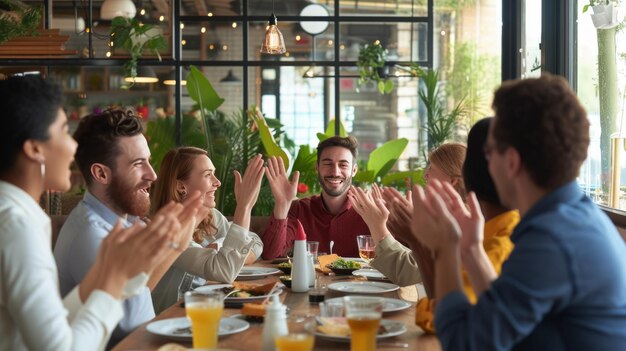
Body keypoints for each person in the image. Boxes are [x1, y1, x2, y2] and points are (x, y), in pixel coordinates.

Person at [410, 74, 626, 350]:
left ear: (511, 161)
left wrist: (446, 248)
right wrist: (471, 249)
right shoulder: (574, 218)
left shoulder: (553, 239)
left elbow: (464, 343)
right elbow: (501, 315)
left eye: (489, 151)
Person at [0, 75, 198, 350]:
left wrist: (110, 273)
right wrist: (115, 277)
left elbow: (58, 324)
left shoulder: (19, 216)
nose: (72, 148)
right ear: (34, 149)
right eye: (62, 132)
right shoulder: (17, 226)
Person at [53, 108, 207, 347]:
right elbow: (134, 323)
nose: (153, 175)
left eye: (149, 161)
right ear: (101, 173)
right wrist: (175, 247)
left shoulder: (125, 222)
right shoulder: (92, 235)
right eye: (138, 164)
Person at [150, 146, 265, 313]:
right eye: (207, 175)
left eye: (214, 173)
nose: (217, 182)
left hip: (202, 311)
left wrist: (219, 247)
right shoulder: (166, 230)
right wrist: (244, 207)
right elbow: (224, 271)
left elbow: (256, 243)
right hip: (169, 320)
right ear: (181, 186)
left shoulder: (212, 217)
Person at [261, 136, 370, 259]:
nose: (335, 172)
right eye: (328, 163)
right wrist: (282, 203)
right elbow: (271, 256)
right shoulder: (299, 209)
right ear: (317, 167)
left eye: (343, 165)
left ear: (354, 170)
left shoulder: (370, 211)